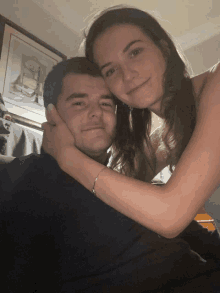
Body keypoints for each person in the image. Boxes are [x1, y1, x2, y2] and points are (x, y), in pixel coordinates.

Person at [0, 57, 220, 292]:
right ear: (51, 114)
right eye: (79, 103)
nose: (96, 112)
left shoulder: (141, 188)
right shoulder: (19, 180)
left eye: (106, 104)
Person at [43, 6, 220, 239]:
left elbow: (170, 215)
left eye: (135, 52)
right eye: (111, 70)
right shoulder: (165, 139)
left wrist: (66, 156)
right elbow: (116, 187)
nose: (127, 75)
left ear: (164, 48)